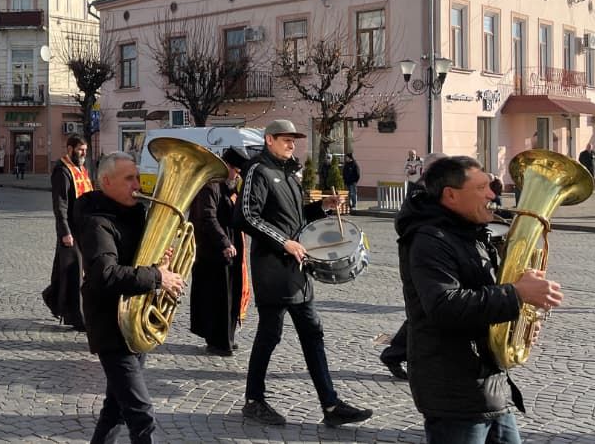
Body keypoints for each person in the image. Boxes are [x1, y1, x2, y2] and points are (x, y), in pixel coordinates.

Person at [398, 155, 562, 443]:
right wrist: (517, 293)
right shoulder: (429, 239)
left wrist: (519, 320)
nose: (492, 194)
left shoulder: (470, 232)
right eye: (481, 188)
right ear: (450, 195)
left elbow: (483, 294)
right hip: (455, 390)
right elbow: (444, 306)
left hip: (487, 382)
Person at [236, 119, 373, 427]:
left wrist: (323, 206)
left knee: (313, 334)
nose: (292, 144)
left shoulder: (287, 173)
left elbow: (296, 218)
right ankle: (253, 400)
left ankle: (331, 405)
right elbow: (245, 216)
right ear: (269, 139)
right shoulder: (259, 170)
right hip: (273, 269)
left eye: (294, 140)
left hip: (298, 270)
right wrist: (283, 241)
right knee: (270, 335)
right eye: (286, 139)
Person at [76, 151, 185, 443]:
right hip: (110, 326)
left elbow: (139, 262)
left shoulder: (135, 213)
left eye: (137, 176)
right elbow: (106, 275)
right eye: (129, 179)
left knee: (115, 409)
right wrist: (158, 277)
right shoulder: (97, 223)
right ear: (107, 181)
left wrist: (161, 263)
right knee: (141, 413)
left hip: (134, 320)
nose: (137, 184)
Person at [380, 151, 447, 380]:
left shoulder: (432, 189)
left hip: (429, 259)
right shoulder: (421, 193)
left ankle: (397, 354)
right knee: (421, 315)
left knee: (422, 314)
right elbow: (406, 225)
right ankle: (397, 355)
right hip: (416, 260)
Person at [189, 147, 251, 356]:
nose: (237, 174)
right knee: (216, 297)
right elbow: (207, 217)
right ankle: (217, 341)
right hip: (213, 251)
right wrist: (224, 242)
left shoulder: (231, 186)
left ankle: (227, 337)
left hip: (232, 247)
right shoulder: (210, 185)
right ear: (226, 166)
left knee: (230, 294)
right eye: (235, 170)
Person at [42, 135, 92, 331]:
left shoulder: (82, 169)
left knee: (63, 269)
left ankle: (53, 298)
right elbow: (60, 204)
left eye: (85, 151)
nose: (83, 154)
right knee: (74, 272)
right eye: (80, 150)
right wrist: (64, 231)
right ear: (69, 148)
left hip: (84, 229)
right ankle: (76, 317)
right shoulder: (62, 171)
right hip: (70, 230)